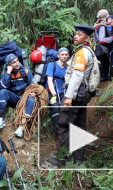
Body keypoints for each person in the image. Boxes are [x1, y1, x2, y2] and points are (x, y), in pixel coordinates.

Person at [48, 25, 95, 166]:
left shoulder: (81, 53)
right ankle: (78, 159)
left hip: (76, 95)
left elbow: (78, 75)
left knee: (64, 124)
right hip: (83, 94)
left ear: (87, 38)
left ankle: (62, 159)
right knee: (79, 125)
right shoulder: (88, 51)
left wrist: (68, 96)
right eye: (75, 34)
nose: (75, 36)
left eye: (79, 35)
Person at [0, 53, 36, 137]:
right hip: (13, 97)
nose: (17, 63)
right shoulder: (5, 73)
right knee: (3, 92)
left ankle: (22, 127)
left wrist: (33, 92)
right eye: (13, 62)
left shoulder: (25, 71)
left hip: (24, 97)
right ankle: (1, 119)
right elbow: (3, 86)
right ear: (8, 65)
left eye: (17, 60)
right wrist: (8, 73)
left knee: (32, 100)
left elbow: (34, 85)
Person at [45, 47, 69, 135]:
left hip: (63, 92)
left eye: (66, 55)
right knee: (55, 106)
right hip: (51, 92)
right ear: (58, 56)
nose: (64, 56)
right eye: (62, 55)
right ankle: (57, 131)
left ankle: (66, 129)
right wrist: (54, 94)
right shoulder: (52, 65)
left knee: (67, 106)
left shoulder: (67, 68)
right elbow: (49, 80)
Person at [93, 9, 113, 82]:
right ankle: (102, 81)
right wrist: (112, 38)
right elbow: (102, 40)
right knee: (103, 65)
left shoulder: (96, 25)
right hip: (101, 50)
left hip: (96, 48)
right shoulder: (102, 27)